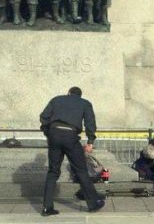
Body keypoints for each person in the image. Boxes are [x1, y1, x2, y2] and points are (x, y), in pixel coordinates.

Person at [39, 86, 105, 216]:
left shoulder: (56, 100)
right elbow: (90, 123)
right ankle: (92, 204)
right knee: (81, 170)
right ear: (80, 95)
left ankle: (47, 207)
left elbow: (44, 117)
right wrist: (90, 141)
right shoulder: (85, 103)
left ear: (68, 93)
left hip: (54, 134)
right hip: (70, 135)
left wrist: (48, 132)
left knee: (53, 171)